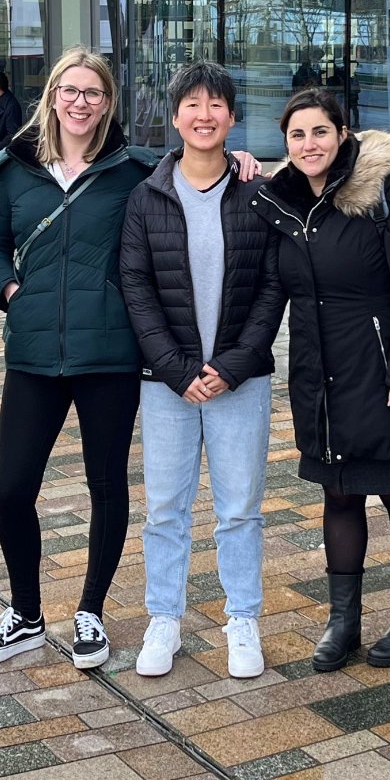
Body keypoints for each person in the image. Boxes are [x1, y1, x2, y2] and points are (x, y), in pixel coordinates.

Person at [0, 46, 261, 671]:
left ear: (108, 104)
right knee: (12, 486)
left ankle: (91, 614)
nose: (81, 102)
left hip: (110, 353)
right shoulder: (13, 168)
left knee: (108, 485)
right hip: (33, 351)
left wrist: (238, 158)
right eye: (70, 90)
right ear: (52, 96)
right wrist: (9, 291)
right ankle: (23, 612)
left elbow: (193, 166)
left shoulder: (133, 169)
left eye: (94, 93)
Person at [252, 87, 390, 673]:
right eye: (296, 135)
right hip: (322, 378)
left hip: (385, 374)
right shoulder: (282, 203)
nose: (309, 144)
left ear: (343, 135)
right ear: (285, 143)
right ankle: (344, 623)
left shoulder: (383, 194)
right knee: (339, 496)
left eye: (319, 132)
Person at [119, 61, 284, 679]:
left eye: (216, 105)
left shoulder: (256, 192)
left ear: (233, 118)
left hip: (240, 381)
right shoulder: (147, 195)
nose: (205, 115)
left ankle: (243, 620)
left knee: (240, 507)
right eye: (193, 104)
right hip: (167, 385)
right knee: (165, 506)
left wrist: (232, 366)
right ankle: (165, 618)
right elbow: (136, 286)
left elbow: (274, 286)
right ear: (175, 116)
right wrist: (174, 367)